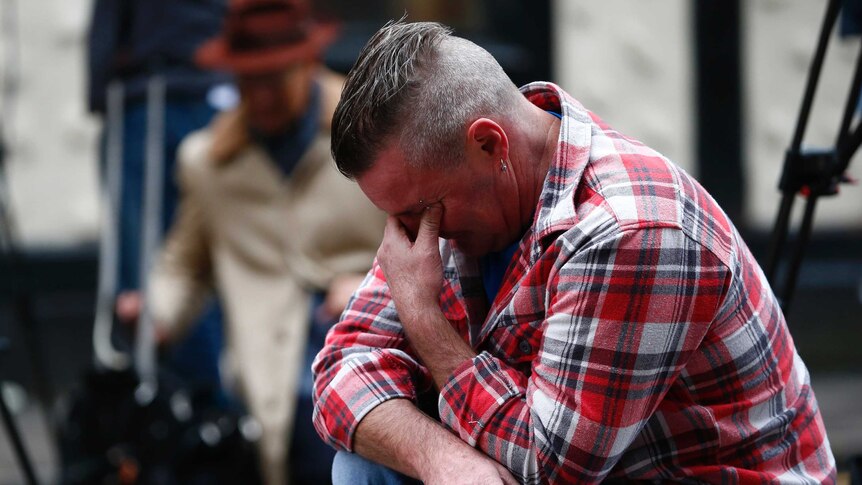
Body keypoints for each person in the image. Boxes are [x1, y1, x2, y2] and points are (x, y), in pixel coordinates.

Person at [312, 20, 837, 484]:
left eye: (421, 211)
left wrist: (425, 321)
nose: (411, 235)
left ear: (490, 145)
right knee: (365, 464)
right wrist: (439, 460)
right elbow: (337, 369)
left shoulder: (631, 229)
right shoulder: (448, 196)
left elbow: (548, 467)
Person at [123, 0, 386, 483]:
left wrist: (373, 287)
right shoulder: (209, 162)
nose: (259, 94)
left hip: (371, 363)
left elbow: (427, 231)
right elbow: (184, 264)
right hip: (265, 388)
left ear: (307, 63)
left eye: (272, 77)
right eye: (247, 79)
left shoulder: (371, 133)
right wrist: (156, 315)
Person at [88, 0, 229, 393]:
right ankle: (203, 405)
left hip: (153, 91)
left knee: (157, 269)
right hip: (211, 87)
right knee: (197, 262)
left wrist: (102, 89)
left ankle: (178, 403)